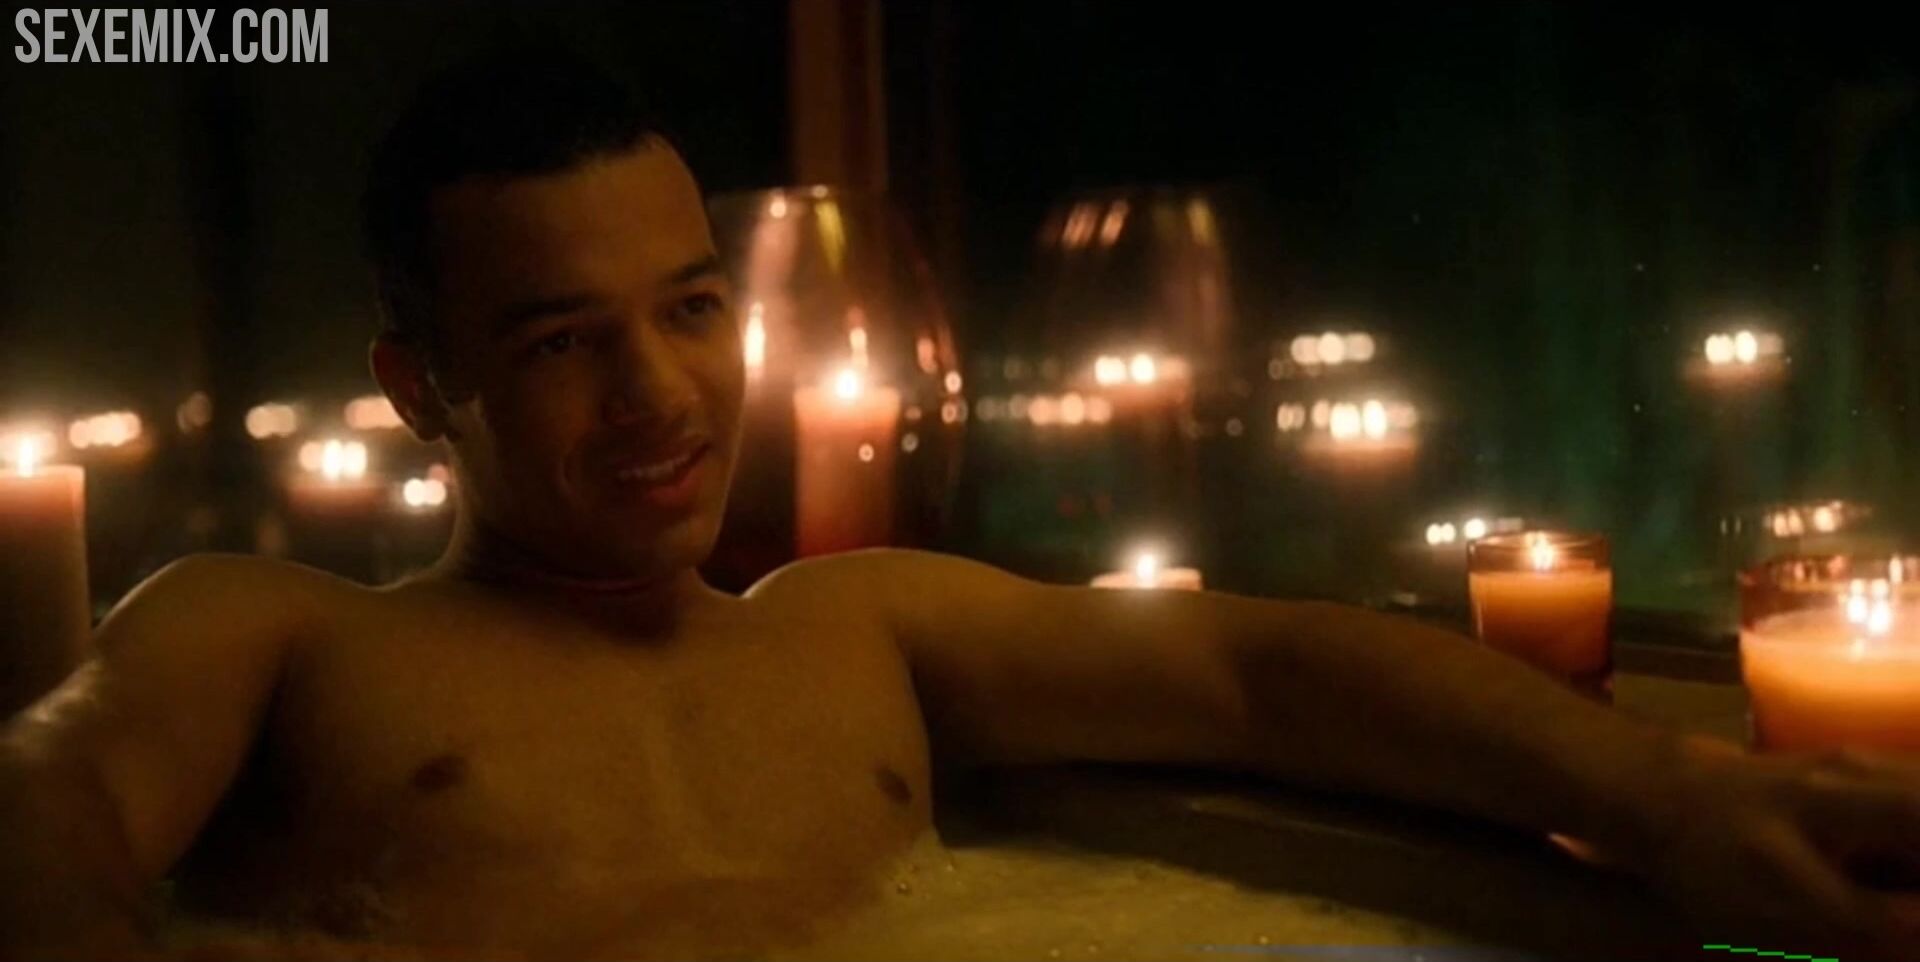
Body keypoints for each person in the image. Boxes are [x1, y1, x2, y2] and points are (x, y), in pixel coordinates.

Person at [4, 48, 1919, 962]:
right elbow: (48, 797)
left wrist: (1672, 794)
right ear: (423, 387)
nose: (661, 392)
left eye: (692, 308)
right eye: (567, 340)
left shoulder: (857, 629)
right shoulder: (283, 634)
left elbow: (1259, 674)